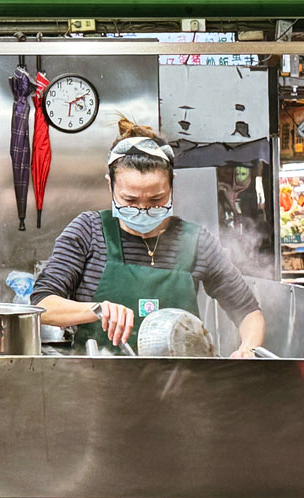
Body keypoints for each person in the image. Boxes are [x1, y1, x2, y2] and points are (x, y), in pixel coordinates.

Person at [33, 117, 266, 357]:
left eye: (156, 200)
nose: (143, 209)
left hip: (183, 385)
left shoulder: (197, 241)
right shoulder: (88, 231)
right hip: (99, 385)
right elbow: (41, 304)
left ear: (171, 186)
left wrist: (247, 349)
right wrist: (96, 310)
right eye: (130, 200)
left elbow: (248, 311)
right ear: (110, 187)